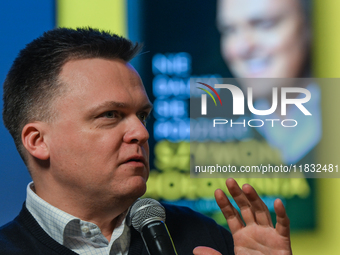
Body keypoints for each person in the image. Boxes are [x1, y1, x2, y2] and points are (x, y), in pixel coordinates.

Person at [0, 27, 292, 255]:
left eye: (142, 115)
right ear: (38, 141)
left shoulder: (204, 237)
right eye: (111, 114)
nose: (141, 133)